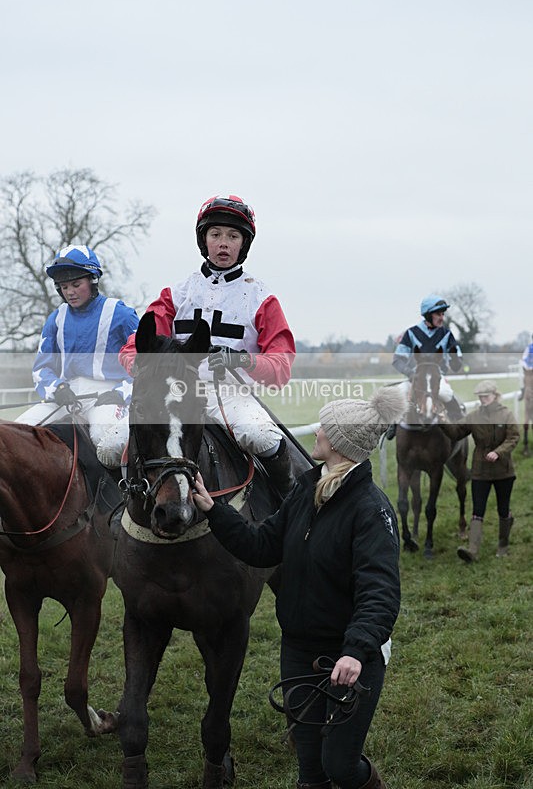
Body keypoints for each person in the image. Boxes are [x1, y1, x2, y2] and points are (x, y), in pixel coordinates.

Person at [193, 386, 406, 789]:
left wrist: (356, 652)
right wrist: (213, 510)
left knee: (340, 765)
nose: (318, 432)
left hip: (350, 657)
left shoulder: (370, 510)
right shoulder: (305, 491)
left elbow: (380, 593)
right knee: (310, 767)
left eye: (326, 427)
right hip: (299, 650)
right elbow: (261, 546)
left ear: (342, 443)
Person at [119, 194, 296, 496]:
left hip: (232, 396)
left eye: (232, 235)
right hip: (176, 394)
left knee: (263, 437)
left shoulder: (262, 298)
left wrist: (241, 360)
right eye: (215, 235)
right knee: (112, 446)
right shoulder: (176, 294)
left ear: (244, 244)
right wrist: (145, 369)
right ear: (204, 240)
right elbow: (132, 349)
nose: (223, 243)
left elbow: (281, 368)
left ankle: (289, 509)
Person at [16, 245, 139, 468]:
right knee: (17, 434)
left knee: (109, 446)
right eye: (64, 287)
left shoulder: (121, 314)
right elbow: (41, 369)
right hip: (67, 394)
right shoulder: (55, 319)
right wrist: (58, 389)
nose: (70, 292)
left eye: (76, 284)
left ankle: (126, 499)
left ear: (93, 281)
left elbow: (144, 365)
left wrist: (120, 393)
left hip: (108, 396)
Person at [440, 379, 520, 562]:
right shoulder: (474, 416)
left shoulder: (506, 414)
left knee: (503, 508)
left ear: (495, 395)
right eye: (480, 397)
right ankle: (473, 550)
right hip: (480, 470)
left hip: (504, 471)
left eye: (486, 396)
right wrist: (442, 421)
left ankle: (503, 545)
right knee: (477, 510)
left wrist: (498, 452)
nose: (483, 400)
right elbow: (456, 432)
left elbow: (514, 437)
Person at [391, 294, 464, 422]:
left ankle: (458, 421)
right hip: (416, 377)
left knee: (445, 393)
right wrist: (410, 373)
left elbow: (456, 365)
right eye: (438, 314)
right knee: (399, 392)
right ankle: (392, 426)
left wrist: (455, 358)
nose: (442, 318)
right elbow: (397, 360)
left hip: (436, 378)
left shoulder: (446, 334)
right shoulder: (412, 333)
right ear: (428, 315)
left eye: (443, 314)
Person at [518, 333, 533, 400]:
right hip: (529, 369)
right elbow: (524, 357)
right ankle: (523, 390)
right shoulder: (529, 347)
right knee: (522, 377)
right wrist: (527, 366)